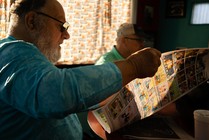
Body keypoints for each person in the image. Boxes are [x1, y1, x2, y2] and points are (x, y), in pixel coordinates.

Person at [0, 0, 161, 140]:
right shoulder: (11, 52)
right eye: (62, 26)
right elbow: (55, 93)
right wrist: (134, 66)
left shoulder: (29, 56)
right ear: (32, 21)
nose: (67, 35)